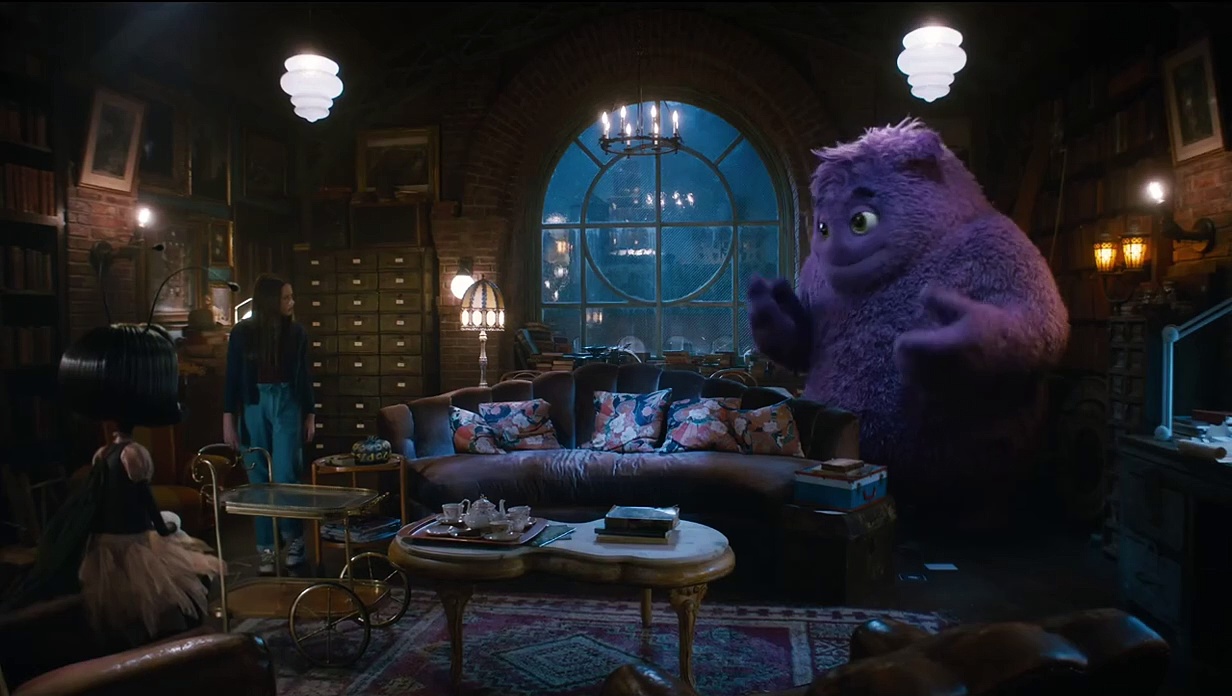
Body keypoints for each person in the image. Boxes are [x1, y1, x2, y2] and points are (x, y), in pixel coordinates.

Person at [2, 323, 224, 649]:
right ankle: (147, 649)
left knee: (122, 604)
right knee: (145, 598)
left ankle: (133, 646)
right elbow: (143, 496)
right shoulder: (131, 454)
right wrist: (160, 526)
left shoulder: (105, 452)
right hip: (128, 539)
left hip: (109, 538)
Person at [223, 274, 315, 574]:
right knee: (258, 477)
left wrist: (310, 413)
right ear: (271, 301)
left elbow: (304, 376)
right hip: (253, 403)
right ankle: (266, 547)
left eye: (291, 297)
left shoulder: (296, 333)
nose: (292, 302)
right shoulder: (242, 333)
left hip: (287, 401)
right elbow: (232, 377)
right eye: (286, 297)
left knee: (287, 473)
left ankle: (294, 539)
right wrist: (228, 418)